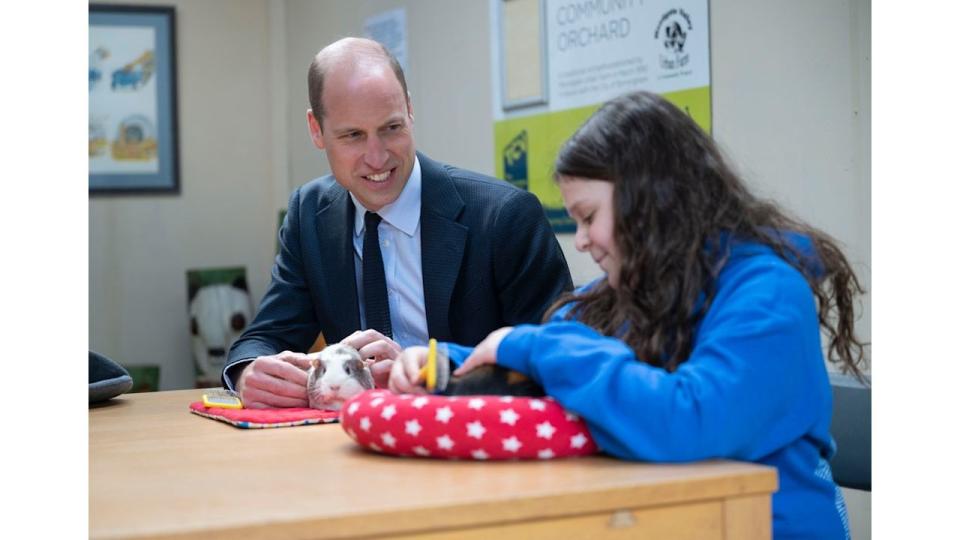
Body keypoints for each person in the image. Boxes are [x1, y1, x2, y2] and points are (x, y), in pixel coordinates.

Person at [390, 91, 868, 539]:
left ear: (651, 202)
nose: (579, 240)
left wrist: (528, 345)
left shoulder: (768, 296)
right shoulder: (626, 290)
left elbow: (690, 420)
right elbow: (540, 362)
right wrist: (441, 365)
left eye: (589, 217)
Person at [223, 37, 572, 408]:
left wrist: (433, 374)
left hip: (473, 445)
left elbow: (560, 359)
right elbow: (265, 336)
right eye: (353, 135)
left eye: (391, 128)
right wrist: (249, 373)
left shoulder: (505, 216)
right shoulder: (309, 214)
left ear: (409, 109)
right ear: (316, 130)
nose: (377, 158)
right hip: (354, 446)